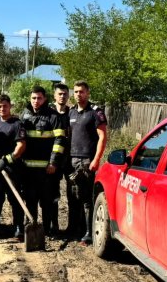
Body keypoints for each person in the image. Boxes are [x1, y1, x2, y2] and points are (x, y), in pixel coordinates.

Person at [20, 85, 66, 236]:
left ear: (45, 99)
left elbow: (59, 142)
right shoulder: (24, 116)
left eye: (39, 98)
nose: (36, 101)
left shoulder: (53, 117)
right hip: (28, 170)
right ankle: (31, 229)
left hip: (47, 170)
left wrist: (53, 162)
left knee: (47, 203)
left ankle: (46, 230)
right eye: (33, 98)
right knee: (30, 201)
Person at [67, 81, 108, 244]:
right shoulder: (71, 113)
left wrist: (96, 160)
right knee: (73, 196)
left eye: (82, 91)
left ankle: (89, 233)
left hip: (87, 160)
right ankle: (75, 229)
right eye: (76, 92)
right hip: (72, 159)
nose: (78, 94)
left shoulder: (95, 112)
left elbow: (103, 137)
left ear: (88, 93)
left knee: (86, 198)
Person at [0, 94, 27, 239]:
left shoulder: (17, 124)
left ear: (10, 106)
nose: (2, 109)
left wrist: (6, 160)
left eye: (5, 106)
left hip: (13, 169)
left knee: (15, 199)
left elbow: (21, 146)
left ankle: (18, 228)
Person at [50, 83, 71, 234]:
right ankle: (54, 225)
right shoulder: (50, 114)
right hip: (55, 160)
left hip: (70, 160)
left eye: (65, 94)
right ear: (54, 96)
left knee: (73, 195)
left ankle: (73, 227)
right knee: (53, 194)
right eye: (59, 94)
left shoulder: (73, 114)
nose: (62, 96)